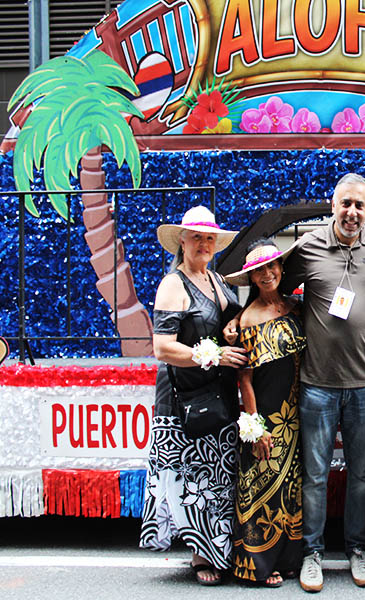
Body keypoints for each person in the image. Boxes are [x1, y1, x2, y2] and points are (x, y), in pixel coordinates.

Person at [280, 173, 365, 593]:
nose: (352, 212)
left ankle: (358, 548)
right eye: (345, 203)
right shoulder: (307, 247)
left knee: (362, 474)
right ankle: (312, 554)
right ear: (332, 205)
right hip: (317, 383)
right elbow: (274, 289)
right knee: (316, 475)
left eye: (360, 205)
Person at [140, 206, 248, 586]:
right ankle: (202, 553)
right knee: (193, 475)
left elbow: (230, 316)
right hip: (183, 398)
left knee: (216, 471)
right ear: (182, 242)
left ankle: (217, 548)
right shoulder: (173, 284)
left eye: (209, 239)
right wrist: (215, 354)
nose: (204, 244)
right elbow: (163, 348)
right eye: (197, 237)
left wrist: (233, 327)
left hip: (217, 391)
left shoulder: (215, 279)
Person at [224, 238, 307, 587]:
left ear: (281, 269)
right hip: (266, 419)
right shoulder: (244, 320)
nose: (267, 272)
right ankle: (257, 563)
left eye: (272, 266)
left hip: (297, 416)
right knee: (261, 486)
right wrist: (256, 427)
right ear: (251, 277)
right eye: (259, 269)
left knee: (290, 489)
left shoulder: (296, 308)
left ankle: (288, 559)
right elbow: (244, 381)